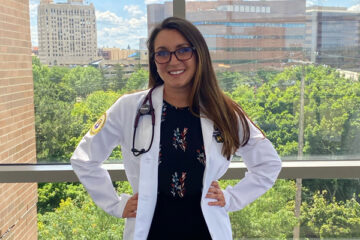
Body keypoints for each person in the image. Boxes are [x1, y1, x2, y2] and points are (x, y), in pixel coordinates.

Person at [71, 17, 282, 240]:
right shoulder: (128, 108)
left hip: (206, 231)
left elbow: (268, 164)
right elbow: (84, 159)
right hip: (151, 231)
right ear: (154, 60)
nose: (173, 61)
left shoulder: (224, 111)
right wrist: (115, 204)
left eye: (183, 50)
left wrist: (232, 198)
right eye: (162, 53)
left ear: (198, 53)